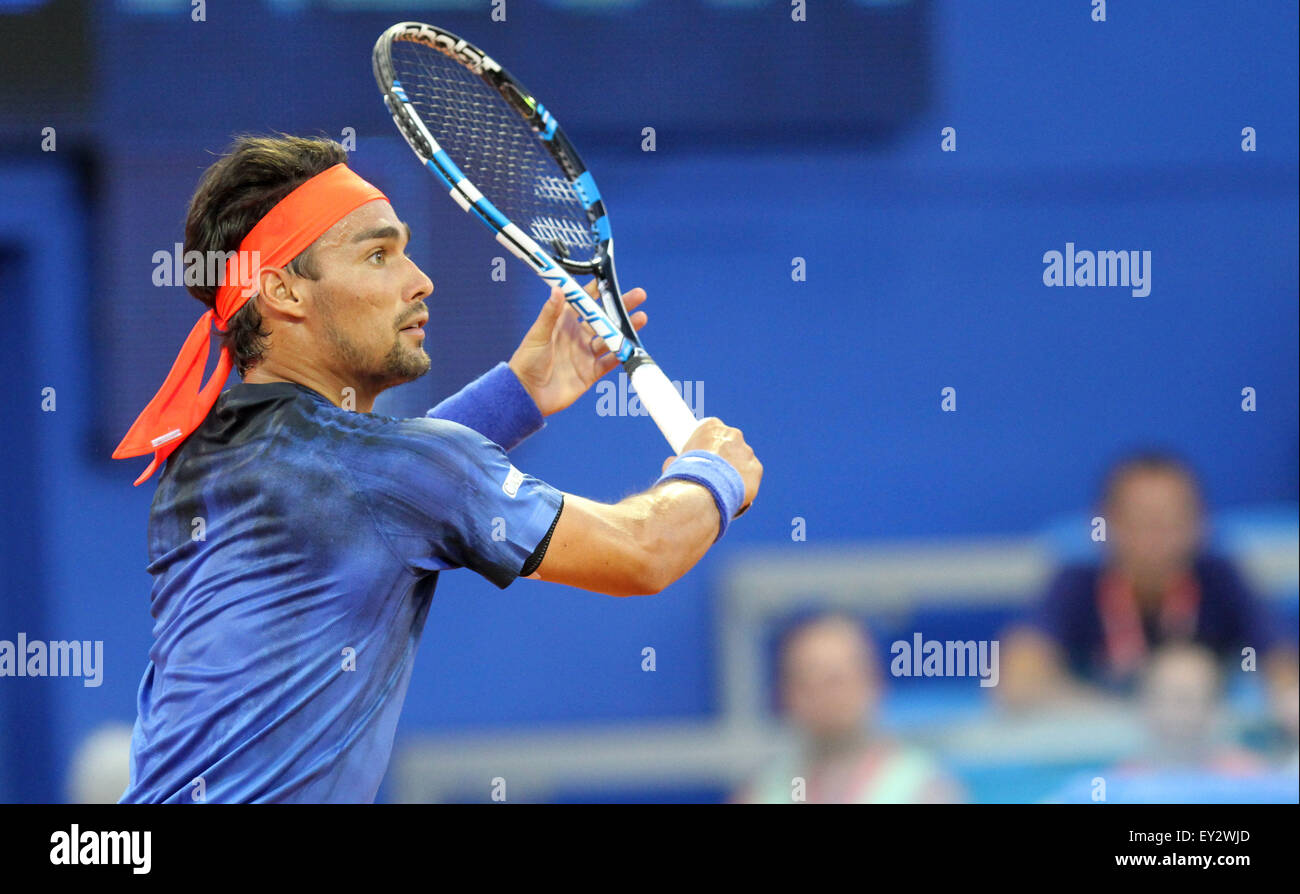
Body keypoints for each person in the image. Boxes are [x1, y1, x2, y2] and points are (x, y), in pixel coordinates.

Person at [112, 135, 762, 803]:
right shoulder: (376, 474)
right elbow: (642, 553)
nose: (419, 279)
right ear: (283, 292)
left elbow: (372, 495)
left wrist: (517, 393)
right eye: (377, 255)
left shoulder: (207, 453)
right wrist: (714, 473)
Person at [999, 452, 1286, 709]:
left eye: (1171, 521)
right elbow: (1017, 675)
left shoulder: (1221, 581)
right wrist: (1109, 715)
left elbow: (1283, 663)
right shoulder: (1076, 585)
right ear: (1105, 523)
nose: (1156, 538)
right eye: (1141, 521)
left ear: (1200, 523)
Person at [731, 613, 963, 803]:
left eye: (836, 680)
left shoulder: (922, 787)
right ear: (785, 694)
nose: (823, 696)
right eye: (805, 681)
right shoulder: (762, 793)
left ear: (874, 683)